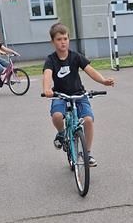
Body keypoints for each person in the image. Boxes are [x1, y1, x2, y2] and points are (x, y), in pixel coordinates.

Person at [42, 22, 115, 168]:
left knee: (88, 120)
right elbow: (47, 75)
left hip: (79, 95)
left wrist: (103, 81)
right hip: (60, 95)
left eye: (65, 38)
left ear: (69, 39)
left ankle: (87, 153)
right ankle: (62, 133)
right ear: (53, 42)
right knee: (57, 116)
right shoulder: (51, 60)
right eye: (59, 39)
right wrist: (47, 89)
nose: (63, 42)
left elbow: (90, 70)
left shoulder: (75, 57)